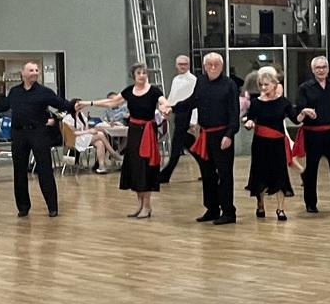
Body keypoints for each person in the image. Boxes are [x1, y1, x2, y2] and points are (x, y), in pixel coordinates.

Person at [0, 61, 76, 217]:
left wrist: (73, 107)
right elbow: (0, 107)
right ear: (23, 73)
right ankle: (23, 207)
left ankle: (52, 207)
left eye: (36, 70)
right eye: (31, 70)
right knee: (19, 170)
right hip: (19, 134)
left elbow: (63, 104)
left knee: (44, 169)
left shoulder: (44, 92)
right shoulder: (15, 92)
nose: (35, 72)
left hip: (38, 133)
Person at [78, 64, 170, 219]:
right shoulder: (129, 91)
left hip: (147, 132)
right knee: (135, 167)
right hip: (133, 131)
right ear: (133, 75)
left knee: (145, 167)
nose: (142, 75)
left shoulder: (154, 91)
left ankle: (147, 206)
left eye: (144, 73)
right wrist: (89, 103)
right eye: (139, 73)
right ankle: (140, 204)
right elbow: (111, 102)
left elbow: (163, 101)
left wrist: (165, 107)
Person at [178, 51, 240, 225]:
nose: (213, 68)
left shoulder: (229, 85)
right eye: (209, 65)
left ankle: (228, 212)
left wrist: (229, 135)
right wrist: (173, 107)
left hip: (222, 136)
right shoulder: (201, 82)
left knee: (225, 174)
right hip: (205, 135)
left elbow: (234, 113)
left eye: (216, 65)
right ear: (204, 66)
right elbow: (193, 102)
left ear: (222, 66)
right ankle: (212, 209)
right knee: (207, 173)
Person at [293, 55, 330, 215]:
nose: (321, 70)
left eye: (324, 67)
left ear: (328, 69)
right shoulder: (304, 88)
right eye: (318, 68)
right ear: (313, 70)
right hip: (313, 135)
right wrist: (305, 111)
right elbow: (300, 108)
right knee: (311, 169)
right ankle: (311, 204)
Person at [243, 66, 298, 221]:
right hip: (261, 144)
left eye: (266, 84)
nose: (263, 87)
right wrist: (249, 124)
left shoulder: (283, 102)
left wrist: (304, 113)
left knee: (280, 174)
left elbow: (295, 119)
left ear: (275, 85)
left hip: (277, 144)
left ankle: (280, 209)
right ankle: (260, 204)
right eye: (261, 85)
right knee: (260, 174)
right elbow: (250, 118)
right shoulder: (256, 103)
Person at [159, 55, 198, 185]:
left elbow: (195, 102)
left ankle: (166, 174)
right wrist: (165, 109)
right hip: (178, 113)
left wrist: (193, 120)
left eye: (185, 64)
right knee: (189, 143)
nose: (182, 66)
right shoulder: (176, 79)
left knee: (177, 143)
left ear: (189, 65)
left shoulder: (193, 80)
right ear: (176, 65)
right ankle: (208, 167)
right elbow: (173, 97)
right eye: (180, 64)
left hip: (187, 114)